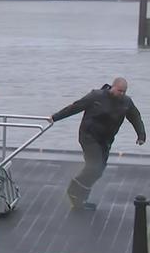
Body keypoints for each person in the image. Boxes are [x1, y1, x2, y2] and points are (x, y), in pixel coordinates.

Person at [49, 77, 145, 210]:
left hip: (106, 140)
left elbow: (135, 117)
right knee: (94, 166)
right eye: (119, 91)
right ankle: (74, 190)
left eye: (124, 91)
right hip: (89, 136)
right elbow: (75, 107)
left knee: (99, 170)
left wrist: (141, 135)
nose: (121, 94)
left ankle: (80, 199)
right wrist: (55, 117)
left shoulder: (126, 102)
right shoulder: (96, 96)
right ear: (113, 87)